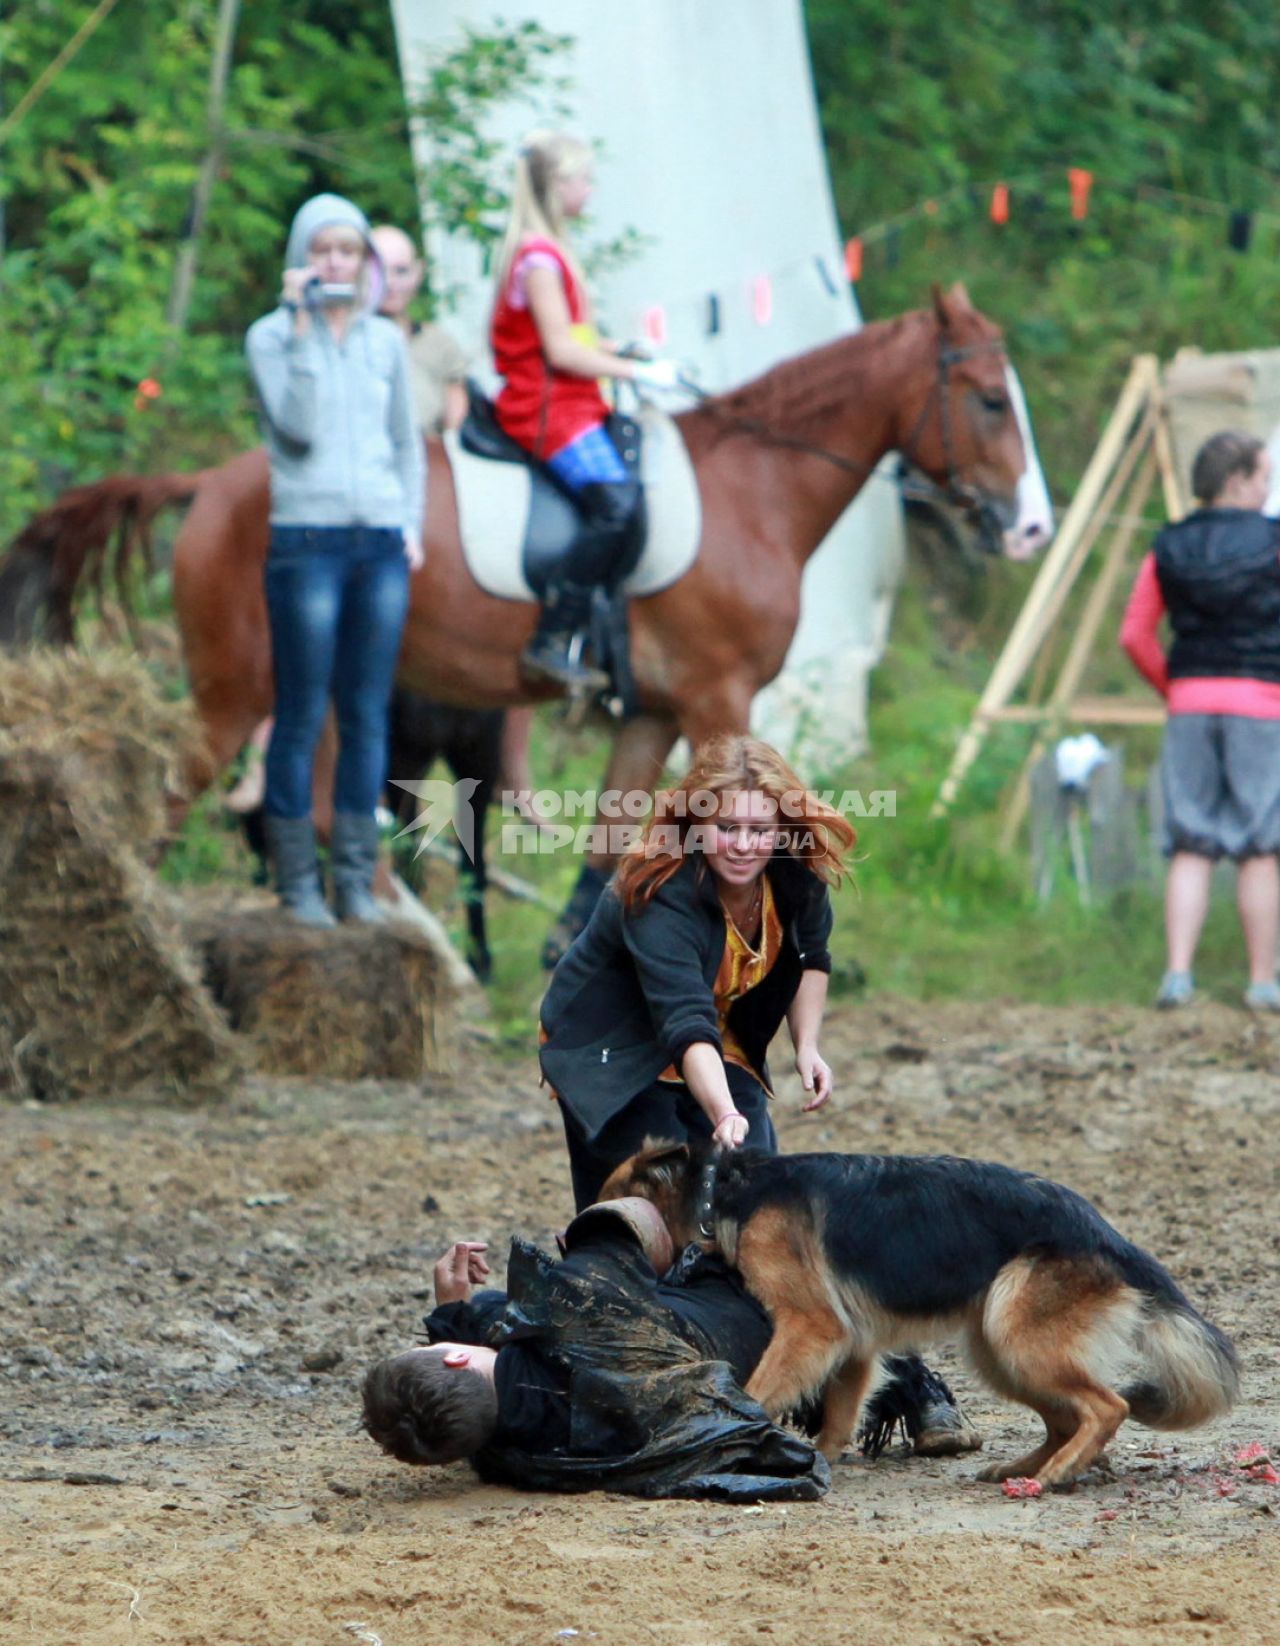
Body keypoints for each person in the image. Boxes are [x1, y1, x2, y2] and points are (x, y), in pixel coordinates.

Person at [361, 1209, 972, 1498]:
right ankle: (923, 1393)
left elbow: (482, 1392)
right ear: (457, 1357)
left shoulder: (511, 1458)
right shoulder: (572, 1311)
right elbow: (630, 1221)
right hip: (764, 1333)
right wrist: (459, 1310)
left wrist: (452, 1317)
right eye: (440, 1346)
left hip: (716, 1385)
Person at [539, 734, 851, 1213]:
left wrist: (806, 1047)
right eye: (727, 828)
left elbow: (811, 956)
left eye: (760, 830)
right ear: (697, 822)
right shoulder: (660, 889)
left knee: (752, 1199)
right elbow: (684, 1019)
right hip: (613, 1045)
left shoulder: (795, 873)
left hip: (715, 1036)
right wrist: (722, 1113)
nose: (745, 846)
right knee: (643, 1211)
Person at [245, 193, 424, 927]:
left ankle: (354, 881)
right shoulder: (269, 337)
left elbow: (405, 441)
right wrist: (301, 328)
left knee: (367, 713)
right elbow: (299, 427)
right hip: (307, 544)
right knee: (300, 712)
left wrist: (407, 523)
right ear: (301, 258)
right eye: (321, 250)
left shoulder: (385, 341)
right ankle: (298, 885)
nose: (334, 262)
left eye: (347, 250)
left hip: (378, 543)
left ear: (365, 262)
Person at [490, 130, 681, 691]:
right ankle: (553, 635)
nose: (590, 190)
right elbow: (560, 350)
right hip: (547, 409)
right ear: (558, 186)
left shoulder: (553, 252)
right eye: (583, 179)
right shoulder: (539, 260)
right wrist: (638, 374)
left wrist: (618, 351)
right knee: (615, 505)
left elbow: (576, 337)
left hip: (575, 400)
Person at [1120, 429, 1280, 1011]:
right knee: (1260, 846)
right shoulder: (1273, 541)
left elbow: (1134, 635)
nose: (1268, 488)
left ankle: (1178, 976)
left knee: (1191, 842)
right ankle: (1262, 983)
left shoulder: (1167, 545)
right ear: (1237, 481)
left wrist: (1176, 687)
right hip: (1262, 705)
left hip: (1189, 703)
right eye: (1264, 476)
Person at [370, 223, 469, 435]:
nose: (390, 282)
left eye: (401, 270)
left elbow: (456, 428)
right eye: (379, 270)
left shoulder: (439, 344)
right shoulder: (344, 343)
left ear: (418, 272)